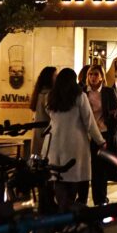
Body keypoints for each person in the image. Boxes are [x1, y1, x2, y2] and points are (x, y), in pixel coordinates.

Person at [44, 68, 106, 211]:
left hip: (54, 142)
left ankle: (62, 209)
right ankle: (71, 212)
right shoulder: (79, 96)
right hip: (75, 143)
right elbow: (89, 122)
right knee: (74, 177)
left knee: (58, 177)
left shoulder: (51, 97)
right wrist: (100, 140)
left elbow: (50, 116)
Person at [84, 64, 117, 205]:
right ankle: (84, 198)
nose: (93, 77)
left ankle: (101, 198)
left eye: (96, 74)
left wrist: (112, 132)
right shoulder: (83, 92)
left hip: (103, 134)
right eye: (90, 74)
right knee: (88, 167)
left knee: (101, 168)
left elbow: (116, 112)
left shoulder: (108, 92)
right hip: (87, 136)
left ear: (101, 76)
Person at [29, 66, 57, 155]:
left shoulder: (39, 93)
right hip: (46, 135)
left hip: (38, 132)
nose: (57, 79)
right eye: (55, 76)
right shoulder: (48, 95)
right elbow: (53, 115)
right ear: (49, 78)